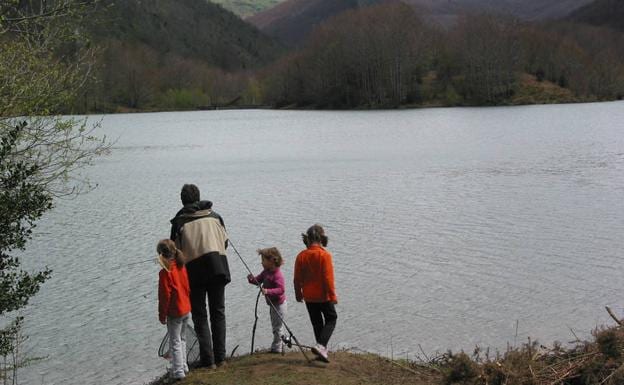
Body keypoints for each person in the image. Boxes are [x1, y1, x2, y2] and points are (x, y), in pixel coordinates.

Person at [170, 184, 230, 368]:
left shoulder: (179, 223)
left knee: (200, 316)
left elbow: (175, 253)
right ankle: (221, 358)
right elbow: (225, 242)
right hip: (218, 267)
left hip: (194, 272)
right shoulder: (215, 217)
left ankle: (208, 360)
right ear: (198, 198)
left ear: (182, 200)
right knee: (218, 313)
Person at [293, 224, 338, 363]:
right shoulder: (324, 255)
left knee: (317, 323)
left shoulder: (301, 256)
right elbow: (328, 278)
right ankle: (321, 346)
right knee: (331, 318)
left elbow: (296, 279)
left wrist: (298, 294)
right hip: (323, 296)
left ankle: (321, 351)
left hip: (309, 297)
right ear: (321, 238)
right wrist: (333, 295)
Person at [157, 239, 191, 381]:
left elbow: (164, 295)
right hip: (186, 308)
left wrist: (162, 314)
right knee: (182, 339)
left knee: (175, 341)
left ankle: (178, 372)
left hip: (175, 312)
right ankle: (183, 366)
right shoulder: (181, 266)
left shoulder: (165, 273)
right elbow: (187, 287)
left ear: (161, 255)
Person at [247, 247, 287, 353]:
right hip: (272, 304)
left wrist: (268, 291)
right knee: (276, 326)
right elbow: (258, 280)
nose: (261, 263)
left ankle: (277, 348)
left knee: (277, 327)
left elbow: (281, 290)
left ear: (272, 261)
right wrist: (251, 279)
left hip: (279, 305)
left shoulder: (278, 275)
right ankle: (279, 345)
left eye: (263, 260)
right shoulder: (266, 272)